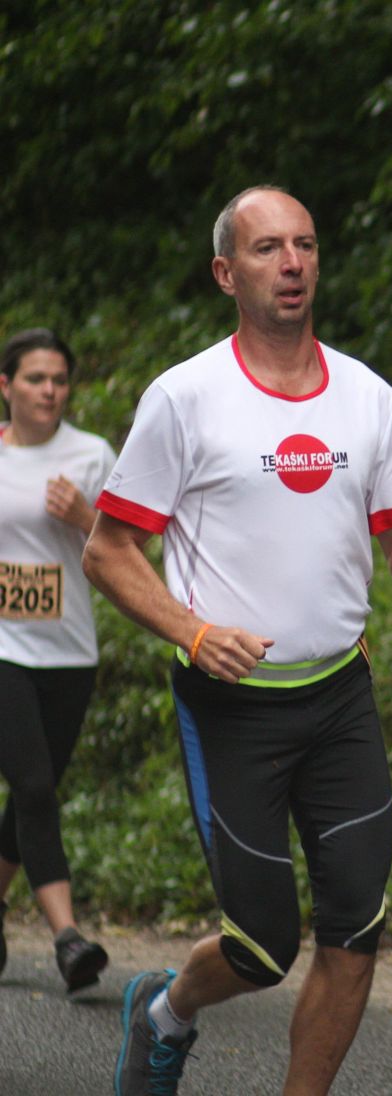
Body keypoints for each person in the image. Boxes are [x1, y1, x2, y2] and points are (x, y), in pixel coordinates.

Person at [82, 185, 392, 1095]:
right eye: (267, 249)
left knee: (355, 926)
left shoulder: (367, 398)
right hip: (231, 711)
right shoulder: (185, 399)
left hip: (340, 699)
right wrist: (193, 630)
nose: (291, 263)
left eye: (303, 244)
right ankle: (165, 1010)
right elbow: (108, 551)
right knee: (262, 947)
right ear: (227, 273)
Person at [0, 327, 115, 993]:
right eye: (37, 379)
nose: (50, 391)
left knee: (28, 797)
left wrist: (85, 514)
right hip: (4, 650)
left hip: (69, 653)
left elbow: (130, 545)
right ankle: (67, 938)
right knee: (36, 786)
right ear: (6, 386)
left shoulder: (93, 456)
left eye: (60, 380)